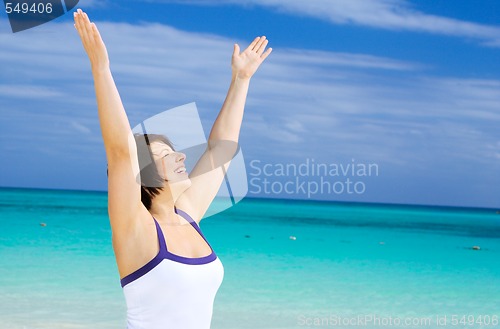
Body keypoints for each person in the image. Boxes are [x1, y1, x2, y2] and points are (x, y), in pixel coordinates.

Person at [73, 8, 272, 329]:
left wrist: (241, 80)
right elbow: (121, 153)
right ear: (144, 175)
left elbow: (221, 148)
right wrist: (101, 68)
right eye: (166, 155)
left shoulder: (188, 216)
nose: (181, 158)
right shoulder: (134, 228)